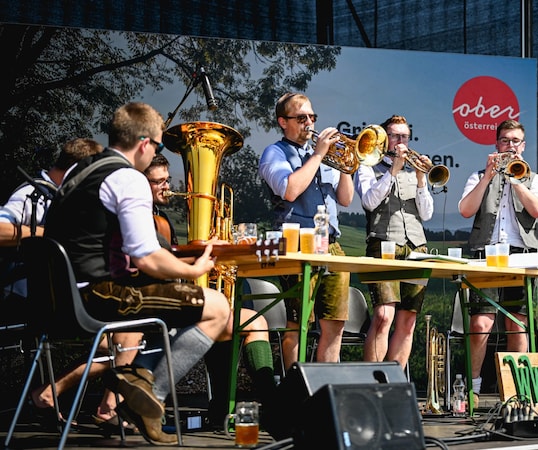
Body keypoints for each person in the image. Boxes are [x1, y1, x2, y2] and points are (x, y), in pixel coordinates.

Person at [42, 102, 234, 445]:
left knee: (171, 301)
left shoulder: (79, 172)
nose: (157, 154)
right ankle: (149, 399)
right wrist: (195, 269)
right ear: (145, 143)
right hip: (100, 296)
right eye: (159, 147)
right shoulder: (127, 177)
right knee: (219, 307)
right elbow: (147, 257)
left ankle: (136, 379)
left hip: (63, 299)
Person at [0, 138, 141, 432]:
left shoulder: (68, 200)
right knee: (128, 329)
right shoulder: (31, 195)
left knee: (122, 334)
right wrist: (45, 233)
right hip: (28, 299)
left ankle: (53, 396)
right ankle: (102, 408)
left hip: (59, 299)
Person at [143, 153, 275, 431]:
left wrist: (211, 250)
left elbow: (173, 261)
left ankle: (226, 409)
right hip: (157, 304)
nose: (167, 187)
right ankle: (273, 407)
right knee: (246, 320)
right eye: (158, 182)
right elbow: (159, 266)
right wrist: (201, 258)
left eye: (167, 180)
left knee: (236, 316)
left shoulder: (160, 217)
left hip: (171, 298)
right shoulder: (142, 219)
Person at [259, 92, 353, 367]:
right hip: (298, 244)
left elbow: (346, 199)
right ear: (283, 122)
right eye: (301, 118)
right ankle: (295, 393)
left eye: (312, 117)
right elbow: (289, 190)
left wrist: (347, 164)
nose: (309, 123)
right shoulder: (274, 153)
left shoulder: (322, 154)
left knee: (335, 324)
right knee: (298, 324)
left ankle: (327, 389)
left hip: (331, 245)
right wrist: (319, 154)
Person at [458, 119, 538, 403]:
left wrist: (516, 181)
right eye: (505, 141)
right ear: (496, 144)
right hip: (488, 254)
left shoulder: (537, 179)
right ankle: (472, 388)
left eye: (515, 142)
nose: (510, 146)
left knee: (517, 324)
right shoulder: (477, 176)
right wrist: (488, 176)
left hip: (522, 256)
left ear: (523, 146)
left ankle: (516, 392)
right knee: (482, 323)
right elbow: (465, 210)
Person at [354, 114, 433, 370]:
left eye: (405, 137)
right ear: (384, 139)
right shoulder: (368, 166)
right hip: (383, 244)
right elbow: (368, 202)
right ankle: (371, 380)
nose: (401, 141)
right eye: (396, 136)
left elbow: (427, 214)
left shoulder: (414, 169)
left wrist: (421, 179)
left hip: (416, 248)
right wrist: (393, 171)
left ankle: (393, 383)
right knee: (383, 315)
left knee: (408, 320)